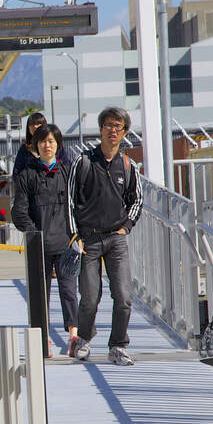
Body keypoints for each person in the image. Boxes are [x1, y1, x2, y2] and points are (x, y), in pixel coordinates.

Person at [67, 106, 142, 366]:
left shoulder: (128, 165)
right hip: (88, 239)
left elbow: (137, 200)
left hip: (116, 238)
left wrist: (126, 226)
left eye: (118, 126)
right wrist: (74, 235)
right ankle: (83, 339)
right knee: (89, 297)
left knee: (123, 297)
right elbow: (69, 200)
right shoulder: (84, 161)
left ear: (124, 132)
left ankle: (118, 346)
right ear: (100, 129)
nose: (113, 130)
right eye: (108, 125)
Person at [11, 124, 79, 359]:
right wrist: (33, 233)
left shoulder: (69, 173)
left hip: (66, 242)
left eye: (51, 141)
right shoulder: (27, 175)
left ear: (58, 144)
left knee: (69, 291)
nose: (47, 145)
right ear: (35, 146)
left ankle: (74, 337)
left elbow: (80, 206)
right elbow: (19, 212)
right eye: (42, 141)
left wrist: (78, 235)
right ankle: (43, 338)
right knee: (41, 294)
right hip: (38, 245)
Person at [12, 112, 47, 176]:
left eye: (38, 124)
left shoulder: (54, 146)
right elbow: (17, 172)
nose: (35, 126)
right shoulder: (24, 149)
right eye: (31, 124)